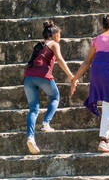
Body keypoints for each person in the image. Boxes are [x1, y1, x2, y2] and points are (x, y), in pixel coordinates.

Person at [69, 14, 109, 155]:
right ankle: (105, 139)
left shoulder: (97, 39)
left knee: (108, 99)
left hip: (97, 70)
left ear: (103, 28)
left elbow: (87, 62)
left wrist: (75, 78)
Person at [23, 20, 74, 155]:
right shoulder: (54, 44)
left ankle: (30, 137)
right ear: (55, 35)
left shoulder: (38, 45)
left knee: (33, 109)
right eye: (60, 34)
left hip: (28, 78)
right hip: (43, 76)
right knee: (55, 97)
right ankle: (46, 123)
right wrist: (71, 76)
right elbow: (60, 60)